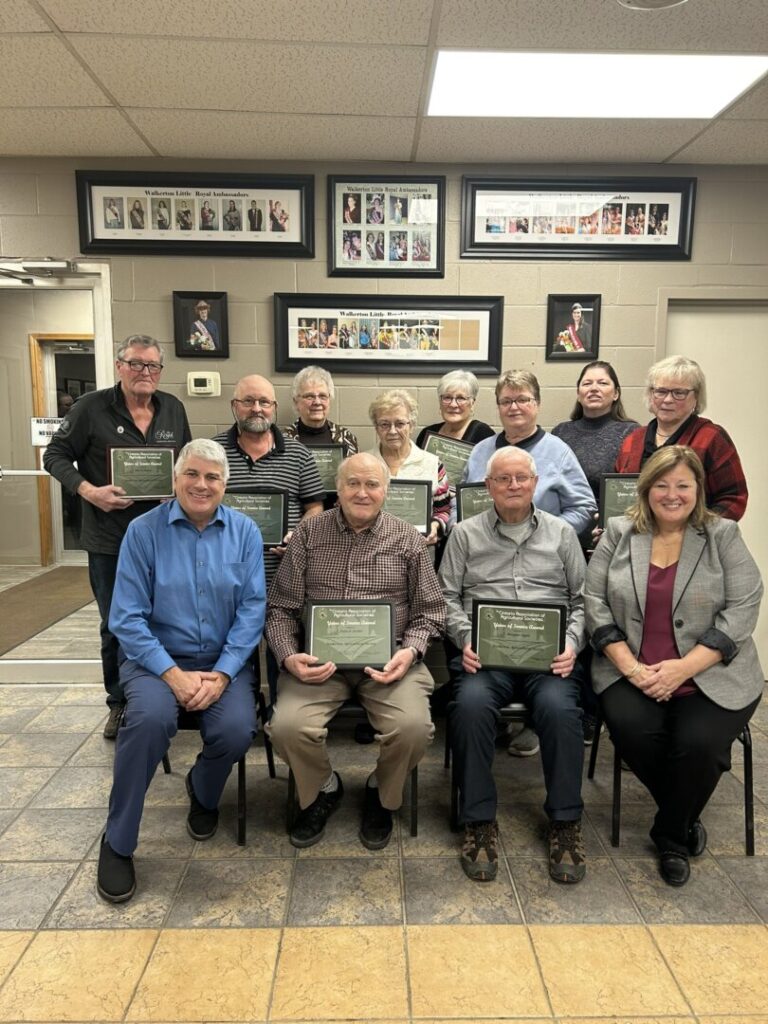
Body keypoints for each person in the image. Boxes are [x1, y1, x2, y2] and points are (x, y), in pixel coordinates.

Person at [96, 439, 266, 903]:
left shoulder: (245, 532)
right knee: (151, 721)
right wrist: (173, 675)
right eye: (192, 474)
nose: (201, 484)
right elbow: (125, 617)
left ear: (225, 486)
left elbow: (253, 610)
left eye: (212, 477)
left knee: (236, 729)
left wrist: (226, 673)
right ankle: (118, 840)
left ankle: (204, 790)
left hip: (220, 664)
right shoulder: (142, 532)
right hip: (154, 663)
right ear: (175, 479)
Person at [584, 446, 763, 886]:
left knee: (700, 746)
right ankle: (682, 813)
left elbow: (744, 605)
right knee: (634, 733)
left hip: (711, 671)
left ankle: (670, 835)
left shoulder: (721, 535)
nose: (672, 494)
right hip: (631, 669)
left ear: (698, 490)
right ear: (646, 489)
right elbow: (594, 604)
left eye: (683, 485)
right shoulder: (620, 532)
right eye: (661, 485)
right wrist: (632, 669)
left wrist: (682, 669)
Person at [266, 453, 445, 850]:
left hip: (388, 663)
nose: (362, 493)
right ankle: (323, 789)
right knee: (287, 727)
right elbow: (279, 608)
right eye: (352, 484)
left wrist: (411, 652)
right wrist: (287, 655)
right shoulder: (310, 535)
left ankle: (382, 791)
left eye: (372, 485)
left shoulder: (408, 540)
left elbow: (431, 612)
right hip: (318, 666)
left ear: (387, 491)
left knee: (414, 729)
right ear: (338, 488)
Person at [440, 446, 588, 884]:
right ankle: (479, 820)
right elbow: (446, 598)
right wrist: (465, 639)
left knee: (561, 712)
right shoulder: (465, 535)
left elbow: (583, 601)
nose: (513, 486)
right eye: (502, 479)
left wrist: (572, 644)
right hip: (486, 659)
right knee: (468, 708)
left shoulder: (562, 534)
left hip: (550, 660)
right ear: (488, 487)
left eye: (521, 477)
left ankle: (564, 822)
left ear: (535, 483)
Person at [44, 336, 191, 738]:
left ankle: (162, 694)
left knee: (165, 618)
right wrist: (89, 490)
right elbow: (53, 456)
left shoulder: (173, 409)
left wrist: (178, 486)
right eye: (136, 364)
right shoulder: (91, 408)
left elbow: (186, 461)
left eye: (153, 367)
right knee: (117, 623)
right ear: (119, 366)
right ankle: (120, 702)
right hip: (111, 537)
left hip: (165, 535)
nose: (145, 373)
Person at [463, 370, 595, 757]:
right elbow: (467, 503)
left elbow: (585, 505)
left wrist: (546, 536)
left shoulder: (558, 451)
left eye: (523, 399)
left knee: (542, 658)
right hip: (490, 567)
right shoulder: (480, 451)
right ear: (498, 407)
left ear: (536, 404)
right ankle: (493, 721)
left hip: (543, 573)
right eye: (507, 401)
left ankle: (533, 723)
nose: (515, 407)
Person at [212, 375, 325, 699]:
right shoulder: (214, 451)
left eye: (264, 402)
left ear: (274, 408)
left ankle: (279, 717)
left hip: (284, 575)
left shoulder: (299, 455)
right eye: (248, 401)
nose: (256, 409)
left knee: (283, 650)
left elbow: (315, 506)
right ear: (234, 406)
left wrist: (297, 534)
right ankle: (241, 713)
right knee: (235, 650)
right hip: (228, 573)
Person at [615, 355, 747, 521]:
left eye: (679, 393)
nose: (668, 400)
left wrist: (704, 530)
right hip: (636, 538)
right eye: (661, 391)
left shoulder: (711, 438)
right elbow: (616, 494)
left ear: (696, 397)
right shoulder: (632, 440)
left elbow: (733, 497)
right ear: (650, 395)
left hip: (696, 541)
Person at [552, 361, 639, 549]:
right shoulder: (560, 432)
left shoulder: (632, 433)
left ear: (616, 393)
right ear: (578, 393)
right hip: (562, 531)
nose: (594, 388)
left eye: (602, 383)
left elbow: (630, 492)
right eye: (587, 383)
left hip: (608, 535)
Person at [367, 388, 451, 547]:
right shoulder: (363, 464)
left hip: (417, 554)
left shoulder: (433, 464)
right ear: (376, 428)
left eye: (399, 424)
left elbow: (444, 511)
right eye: (384, 424)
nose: (392, 431)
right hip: (371, 555)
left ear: (411, 425)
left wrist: (434, 527)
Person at [281, 366, 359, 456]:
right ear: (296, 402)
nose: (317, 402)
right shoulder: (282, 439)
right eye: (309, 396)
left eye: (323, 396)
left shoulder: (347, 438)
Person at [415, 369, 495, 453]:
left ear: (472, 403)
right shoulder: (427, 434)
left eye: (461, 398)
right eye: (447, 397)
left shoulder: (483, 435)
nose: (453, 404)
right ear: (440, 402)